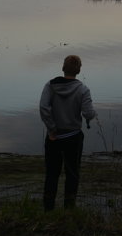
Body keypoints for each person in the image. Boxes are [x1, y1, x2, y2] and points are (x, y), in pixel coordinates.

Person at [39, 54, 95, 210]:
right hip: (73, 138)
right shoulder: (83, 89)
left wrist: (52, 129)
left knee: (51, 174)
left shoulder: (50, 86)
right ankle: (69, 209)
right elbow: (89, 113)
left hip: (53, 138)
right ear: (78, 70)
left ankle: (48, 209)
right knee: (72, 174)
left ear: (63, 68)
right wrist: (91, 117)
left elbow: (44, 108)